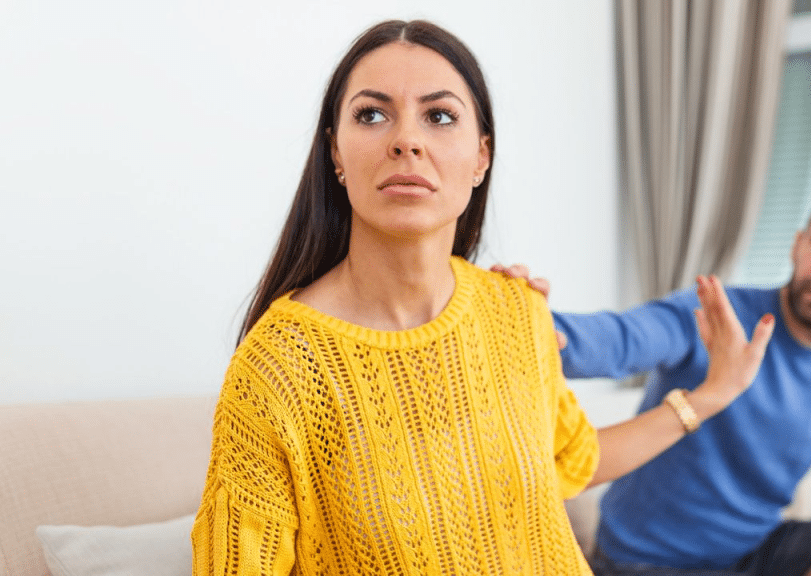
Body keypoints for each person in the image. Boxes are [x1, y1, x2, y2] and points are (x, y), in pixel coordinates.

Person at [190, 19, 774, 575]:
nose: (407, 141)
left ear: (481, 157)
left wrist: (713, 394)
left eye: (439, 116)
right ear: (337, 155)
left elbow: (571, 460)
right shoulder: (279, 367)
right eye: (372, 115)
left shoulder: (515, 309)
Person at [542, 178, 811, 576]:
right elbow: (616, 340)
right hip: (647, 562)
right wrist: (524, 318)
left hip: (754, 552)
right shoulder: (717, 313)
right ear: (798, 245)